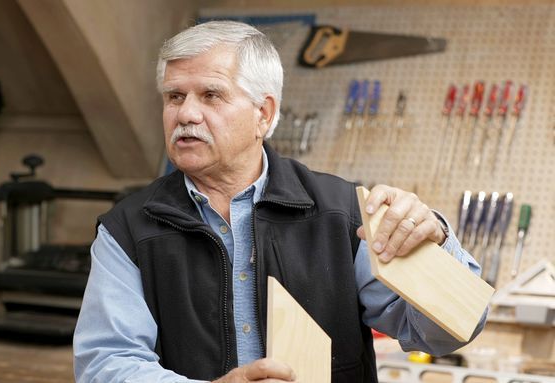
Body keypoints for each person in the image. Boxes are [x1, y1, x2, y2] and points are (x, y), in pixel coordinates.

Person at [73, 20, 486, 383]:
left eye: (211, 95)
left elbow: (445, 332)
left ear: (264, 114)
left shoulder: (343, 213)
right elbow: (105, 364)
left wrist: (438, 241)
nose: (186, 114)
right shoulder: (127, 229)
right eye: (175, 97)